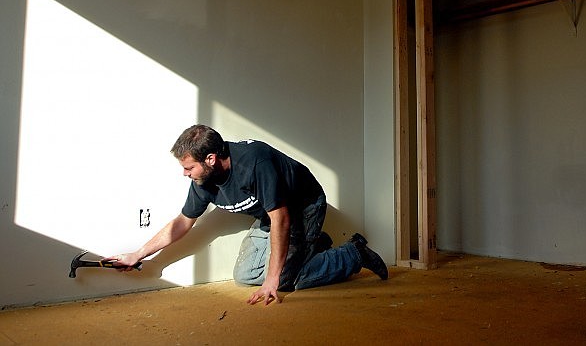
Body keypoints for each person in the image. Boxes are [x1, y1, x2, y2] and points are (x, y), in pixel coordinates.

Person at [110, 124, 387, 305]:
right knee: (244, 275)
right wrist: (139, 254)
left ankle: (352, 254)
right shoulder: (203, 181)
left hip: (302, 207)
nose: (185, 174)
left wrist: (273, 280)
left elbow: (282, 218)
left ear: (210, 159)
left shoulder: (255, 162)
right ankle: (315, 246)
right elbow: (183, 222)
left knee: (287, 281)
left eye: (188, 168)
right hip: (270, 214)